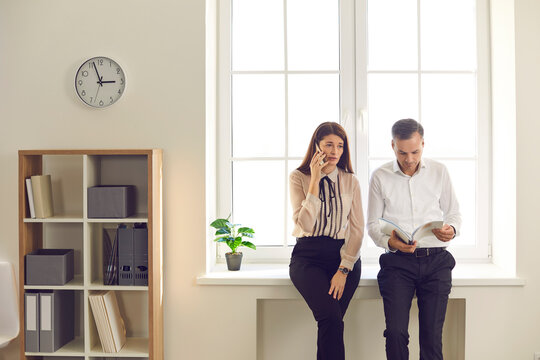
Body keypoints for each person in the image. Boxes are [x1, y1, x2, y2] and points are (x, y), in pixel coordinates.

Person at [367, 118, 461, 360]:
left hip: (437, 261)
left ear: (423, 144)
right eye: (402, 152)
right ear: (392, 146)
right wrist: (390, 243)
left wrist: (451, 229)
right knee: (396, 333)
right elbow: (373, 225)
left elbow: (453, 214)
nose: (409, 159)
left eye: (415, 151)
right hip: (398, 264)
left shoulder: (439, 171)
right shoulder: (380, 176)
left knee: (431, 336)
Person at [289, 121, 364, 360]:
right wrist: (314, 181)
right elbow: (305, 225)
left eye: (340, 146)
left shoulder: (351, 181)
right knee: (331, 319)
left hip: (343, 257)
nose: (334, 151)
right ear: (316, 147)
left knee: (331, 321)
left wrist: (343, 269)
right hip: (307, 257)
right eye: (328, 145)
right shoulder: (297, 178)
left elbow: (357, 229)